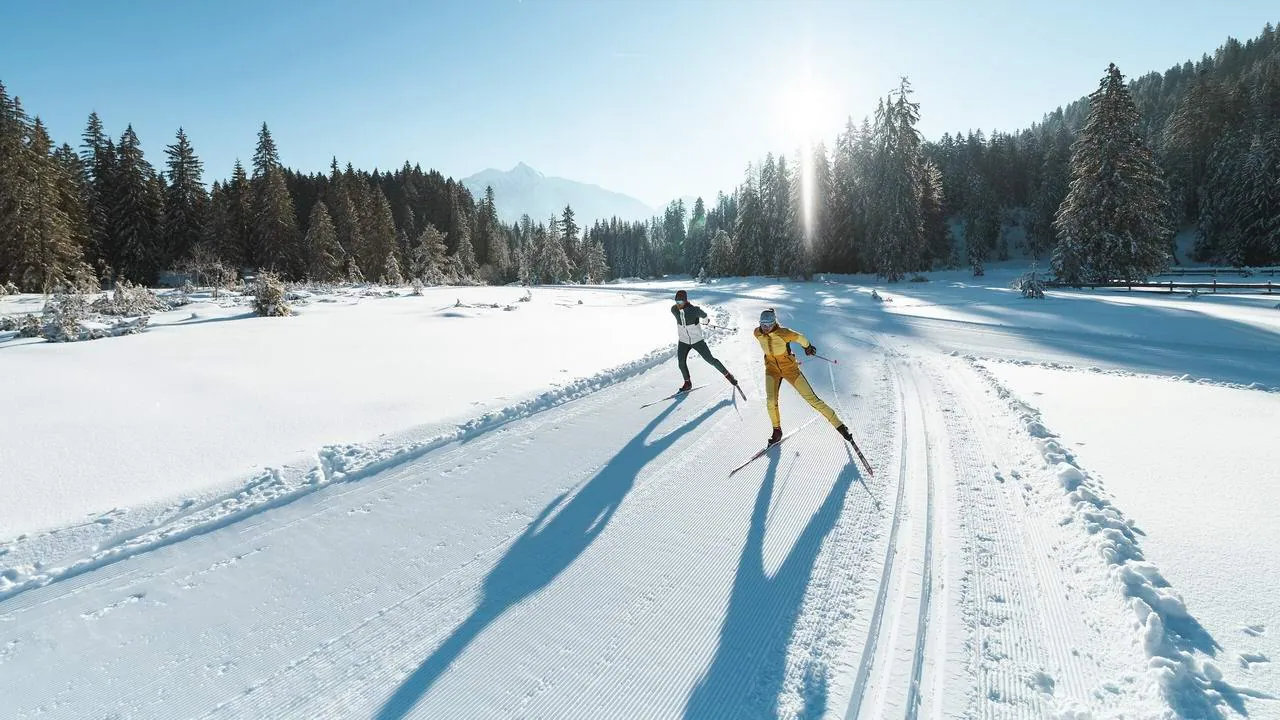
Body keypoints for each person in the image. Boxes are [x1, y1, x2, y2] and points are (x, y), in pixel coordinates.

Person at [753, 307, 855, 446]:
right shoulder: (757, 333)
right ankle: (777, 431)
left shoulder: (784, 333)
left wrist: (808, 347)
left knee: (812, 399)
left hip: (790, 370)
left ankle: (840, 426)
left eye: (769, 325)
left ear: (774, 323)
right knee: (770, 401)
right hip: (771, 370)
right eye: (763, 324)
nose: (765, 328)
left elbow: (800, 338)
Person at [671, 289, 737, 392]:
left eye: (680, 301)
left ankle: (728, 375)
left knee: (710, 360)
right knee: (681, 363)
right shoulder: (674, 310)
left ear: (685, 300)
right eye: (677, 301)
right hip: (683, 341)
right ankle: (687, 383)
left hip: (697, 341)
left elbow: (704, 316)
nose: (678, 304)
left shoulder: (694, 310)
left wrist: (705, 322)